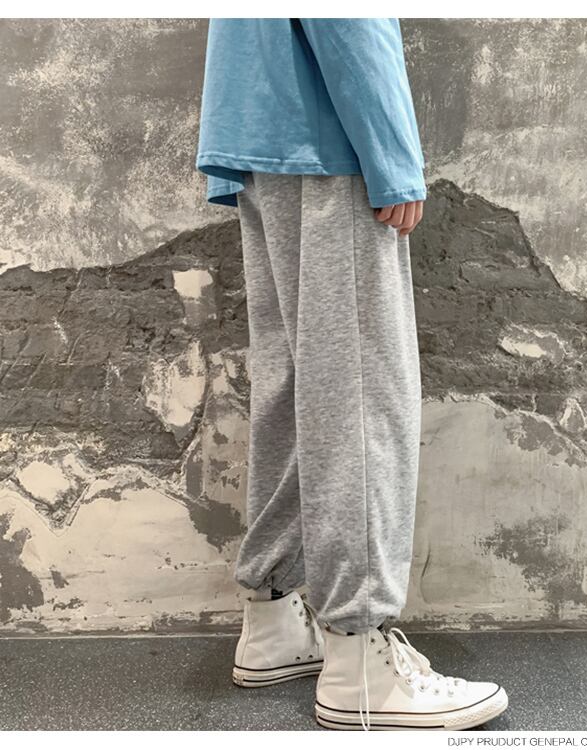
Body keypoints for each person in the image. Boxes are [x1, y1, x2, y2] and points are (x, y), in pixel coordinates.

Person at [196, 18, 508, 731]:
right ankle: (360, 664)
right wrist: (392, 154)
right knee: (362, 394)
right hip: (331, 134)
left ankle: (275, 622)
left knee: (296, 386)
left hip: (260, 128)